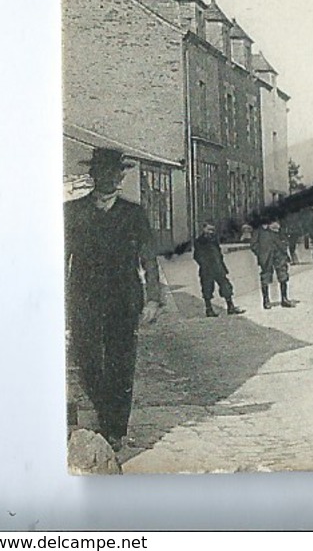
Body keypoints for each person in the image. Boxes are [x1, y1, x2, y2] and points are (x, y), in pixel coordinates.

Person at [65, 147, 166, 448]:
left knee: (121, 364)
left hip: (124, 300)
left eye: (115, 172)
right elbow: (60, 258)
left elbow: (149, 259)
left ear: (120, 176)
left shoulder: (133, 213)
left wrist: (153, 299)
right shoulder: (71, 212)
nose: (110, 177)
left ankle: (115, 429)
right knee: (88, 362)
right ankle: (103, 412)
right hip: (84, 299)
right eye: (103, 171)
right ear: (93, 175)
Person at [191, 222, 245, 318]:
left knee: (226, 286)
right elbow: (196, 256)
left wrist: (220, 264)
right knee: (207, 289)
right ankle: (209, 309)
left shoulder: (214, 239)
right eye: (209, 229)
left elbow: (218, 253)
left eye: (212, 230)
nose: (211, 232)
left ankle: (230, 307)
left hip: (218, 268)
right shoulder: (199, 241)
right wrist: (204, 264)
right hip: (207, 269)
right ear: (204, 229)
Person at [253, 220, 297, 309]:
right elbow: (253, 244)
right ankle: (266, 301)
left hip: (279, 253)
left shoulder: (277, 226)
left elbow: (284, 237)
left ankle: (284, 299)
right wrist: (260, 253)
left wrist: (284, 247)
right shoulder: (260, 229)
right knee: (266, 276)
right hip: (266, 256)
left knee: (283, 274)